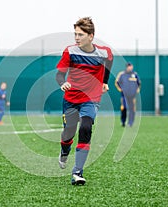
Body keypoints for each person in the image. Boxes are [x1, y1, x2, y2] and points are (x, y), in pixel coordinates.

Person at [56, 17, 113, 185]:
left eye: (80, 35)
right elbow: (59, 74)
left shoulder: (104, 52)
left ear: (91, 36)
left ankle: (77, 172)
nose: (76, 38)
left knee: (86, 127)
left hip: (91, 99)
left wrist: (104, 82)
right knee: (68, 133)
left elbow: (109, 61)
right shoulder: (70, 51)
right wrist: (62, 82)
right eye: (75, 34)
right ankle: (64, 151)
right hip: (71, 99)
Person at [115, 62, 141, 127]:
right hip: (124, 95)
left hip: (132, 95)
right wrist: (121, 89)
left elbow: (139, 83)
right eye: (128, 66)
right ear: (126, 67)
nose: (130, 67)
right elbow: (117, 82)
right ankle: (123, 121)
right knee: (124, 108)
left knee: (132, 109)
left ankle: (130, 123)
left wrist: (136, 90)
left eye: (131, 66)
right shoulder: (122, 74)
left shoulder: (135, 74)